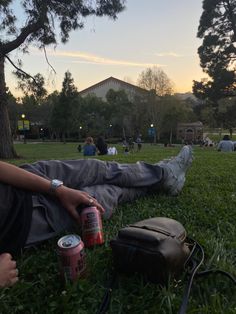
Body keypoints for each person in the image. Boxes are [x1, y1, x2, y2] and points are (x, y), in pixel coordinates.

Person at [0, 145, 193, 288]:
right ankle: (163, 180)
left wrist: (58, 188)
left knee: (97, 168)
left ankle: (162, 173)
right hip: (23, 217)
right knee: (105, 194)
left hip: (24, 176)